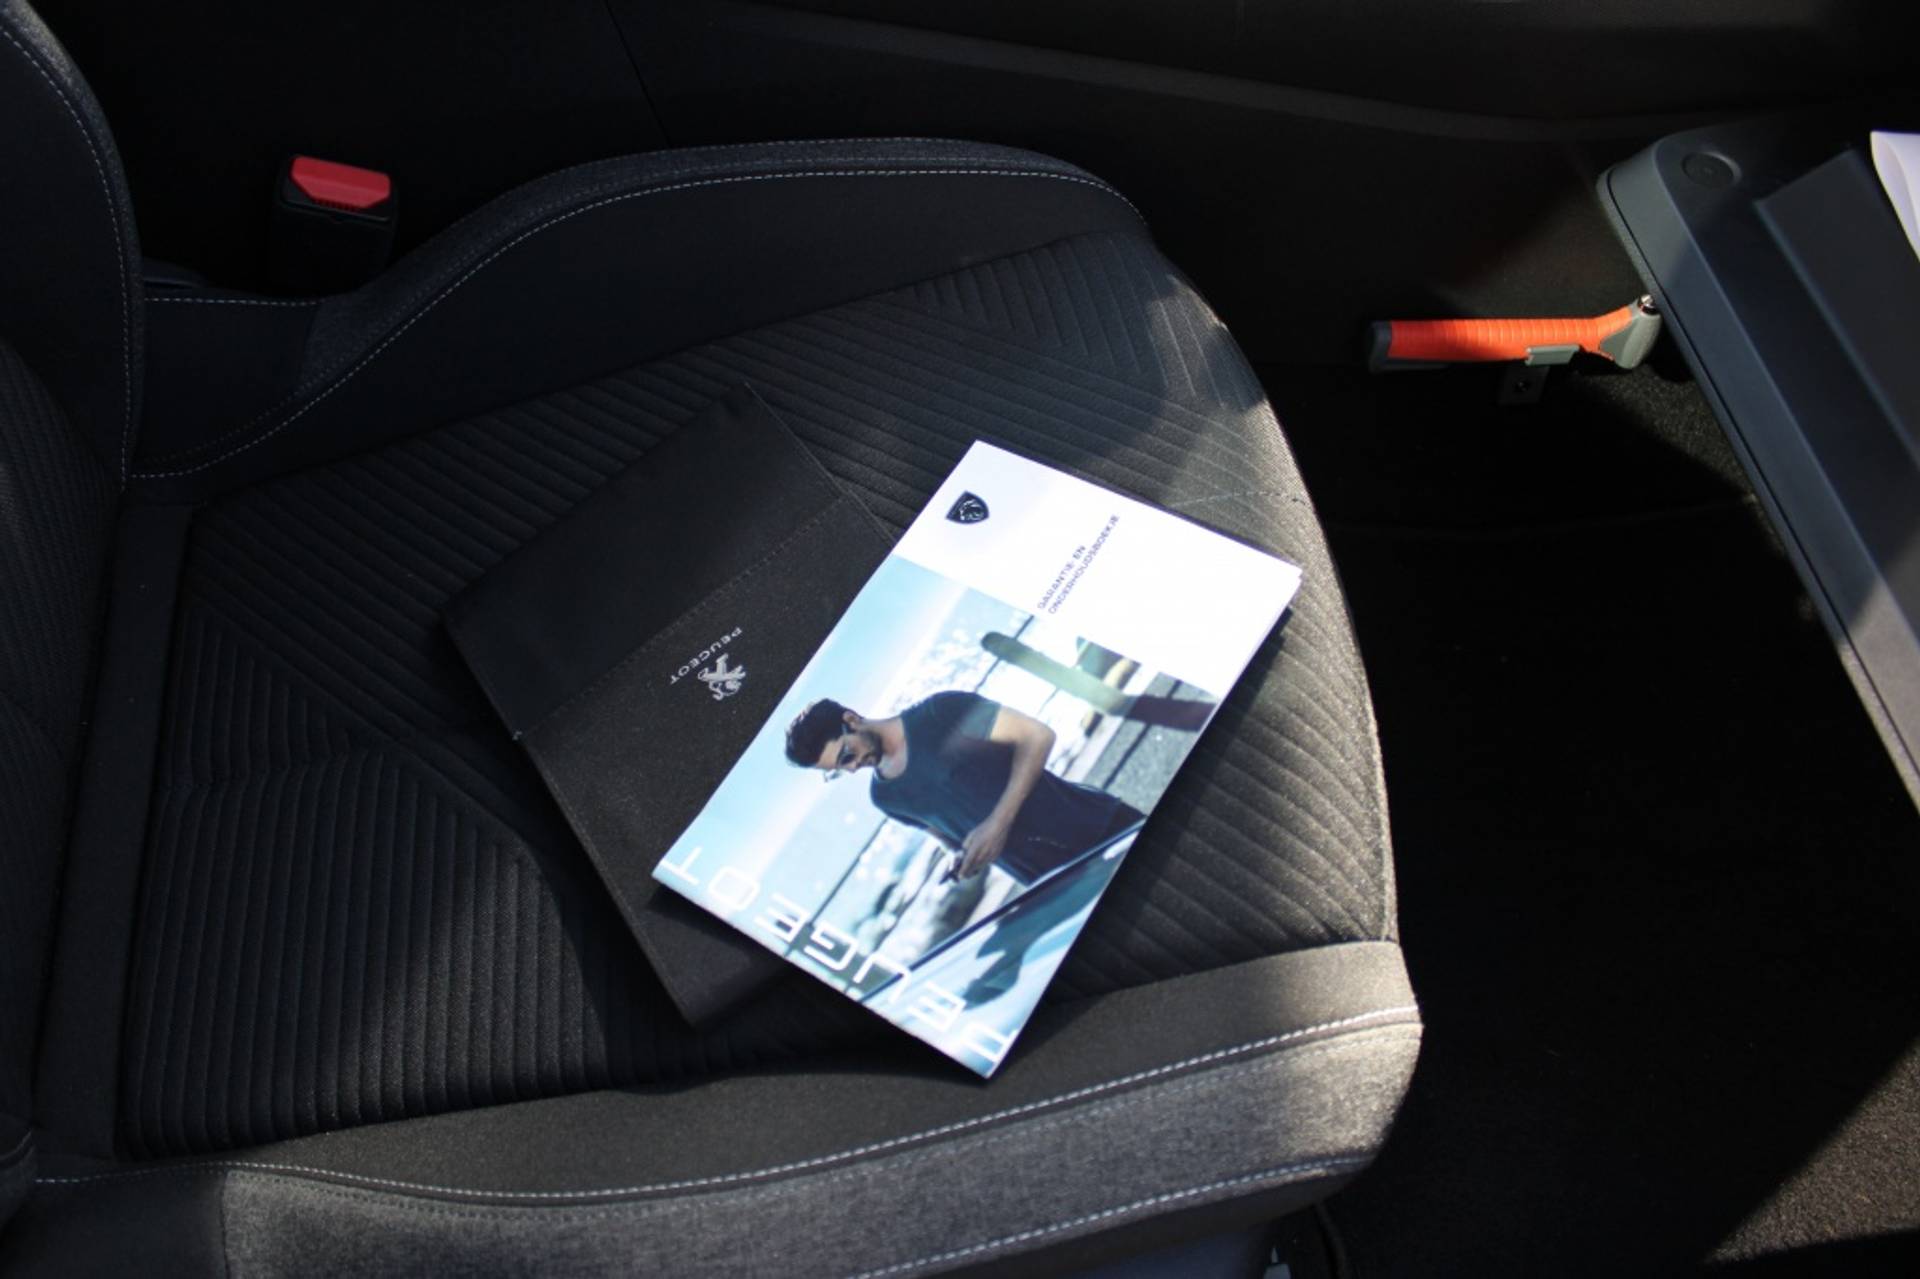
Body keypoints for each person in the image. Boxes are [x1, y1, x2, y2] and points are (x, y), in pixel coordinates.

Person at [784, 690, 1143, 883]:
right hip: (1052, 885)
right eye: (838, 770)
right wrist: (961, 860)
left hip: (1096, 827)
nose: (852, 768)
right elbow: (948, 839)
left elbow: (1037, 736)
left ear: (851, 720)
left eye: (846, 755)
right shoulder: (885, 797)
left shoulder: (940, 712)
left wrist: (997, 824)